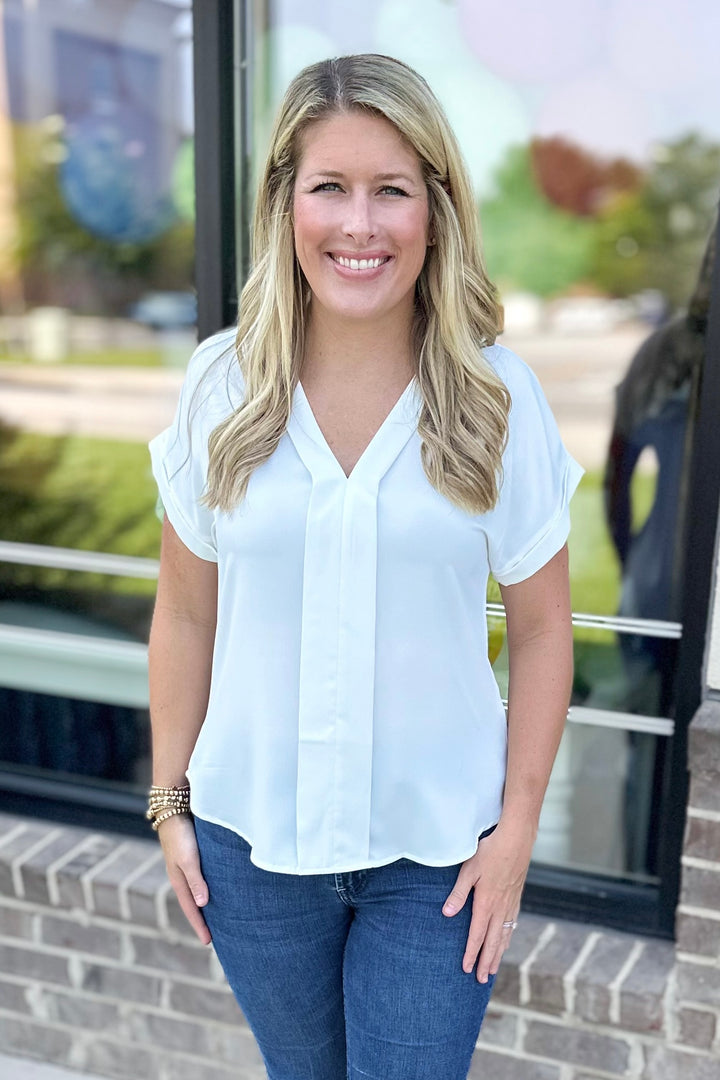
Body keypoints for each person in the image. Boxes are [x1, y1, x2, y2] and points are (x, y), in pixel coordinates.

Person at [146, 53, 584, 1080]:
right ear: (283, 205)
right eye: (329, 187)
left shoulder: (496, 400)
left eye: (392, 190)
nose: (360, 225)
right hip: (252, 857)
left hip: (439, 867)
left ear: (436, 209)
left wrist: (516, 829)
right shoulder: (220, 387)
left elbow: (543, 628)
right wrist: (170, 802)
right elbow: (185, 615)